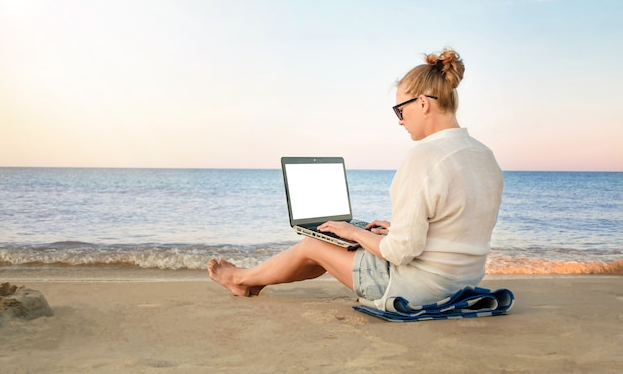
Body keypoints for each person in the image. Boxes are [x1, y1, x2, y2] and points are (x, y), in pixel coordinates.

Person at [208, 47, 504, 310]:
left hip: (419, 290)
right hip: (463, 281)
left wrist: (354, 233)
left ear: (423, 104)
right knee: (342, 239)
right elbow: (458, 225)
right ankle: (253, 281)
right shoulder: (484, 154)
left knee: (315, 244)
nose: (400, 120)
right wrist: (395, 228)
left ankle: (241, 280)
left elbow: (400, 252)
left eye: (400, 109)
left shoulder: (425, 156)